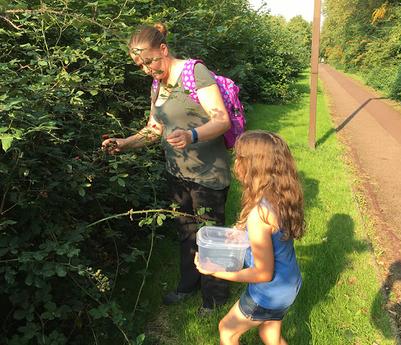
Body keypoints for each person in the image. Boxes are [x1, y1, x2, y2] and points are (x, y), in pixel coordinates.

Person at [102, 23, 232, 312]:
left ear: (164, 49)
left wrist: (191, 135)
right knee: (186, 231)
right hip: (177, 173)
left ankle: (214, 299)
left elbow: (222, 119)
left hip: (208, 173)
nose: (147, 69)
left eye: (150, 61)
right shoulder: (157, 84)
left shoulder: (195, 73)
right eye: (140, 65)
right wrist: (125, 143)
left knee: (211, 235)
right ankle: (188, 286)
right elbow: (154, 129)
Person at [195, 130, 305, 345]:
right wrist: (239, 234)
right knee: (269, 336)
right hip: (289, 283)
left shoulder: (259, 215)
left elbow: (263, 273)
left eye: (239, 157)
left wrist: (214, 271)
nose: (235, 162)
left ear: (252, 166)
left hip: (269, 292)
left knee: (227, 330)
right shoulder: (279, 196)